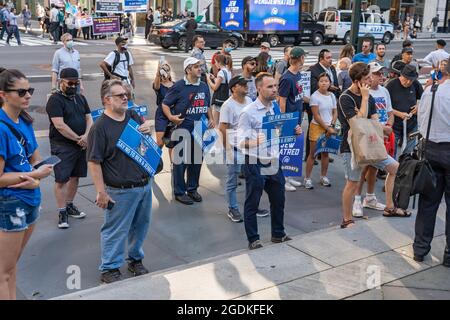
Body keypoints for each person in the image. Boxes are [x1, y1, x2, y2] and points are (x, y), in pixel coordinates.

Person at [87, 80, 153, 284]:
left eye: (126, 94)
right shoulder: (99, 128)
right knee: (115, 229)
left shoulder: (132, 116)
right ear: (107, 100)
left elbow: (145, 144)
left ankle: (135, 260)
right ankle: (110, 267)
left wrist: (148, 130)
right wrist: (101, 191)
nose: (125, 97)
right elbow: (94, 162)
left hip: (143, 184)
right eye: (119, 95)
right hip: (120, 190)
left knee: (140, 226)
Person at [0, 69, 54, 299]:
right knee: (2, 272)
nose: (28, 95)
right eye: (21, 91)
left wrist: (38, 172)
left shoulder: (24, 120)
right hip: (12, 203)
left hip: (31, 199)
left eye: (29, 90)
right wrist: (34, 176)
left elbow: (34, 158)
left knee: (12, 267)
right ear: (3, 94)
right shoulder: (1, 127)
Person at [237, 72, 301, 249]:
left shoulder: (275, 108)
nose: (275, 90)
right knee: (253, 201)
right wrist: (254, 142)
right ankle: (253, 239)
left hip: (273, 161)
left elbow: (278, 132)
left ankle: (278, 234)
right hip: (255, 161)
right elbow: (240, 142)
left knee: (279, 200)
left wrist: (293, 130)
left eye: (275, 86)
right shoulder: (248, 113)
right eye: (270, 87)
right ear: (259, 89)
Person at [337, 62, 403, 229]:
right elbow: (357, 123)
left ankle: (389, 206)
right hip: (352, 147)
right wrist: (365, 98)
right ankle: (347, 219)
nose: (370, 81)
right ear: (357, 80)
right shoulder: (346, 98)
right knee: (352, 182)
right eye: (366, 78)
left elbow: (373, 121)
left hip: (371, 144)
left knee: (394, 167)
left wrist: (383, 128)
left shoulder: (371, 97)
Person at [161, 57, 213, 205]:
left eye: (200, 66)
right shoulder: (178, 86)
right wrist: (171, 117)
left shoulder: (203, 85)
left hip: (199, 130)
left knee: (196, 161)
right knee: (180, 162)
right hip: (182, 129)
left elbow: (207, 104)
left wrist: (211, 118)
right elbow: (165, 104)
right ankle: (179, 191)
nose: (200, 69)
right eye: (196, 67)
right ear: (188, 69)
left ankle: (192, 189)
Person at [413, 62, 450, 267]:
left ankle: (420, 249)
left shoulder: (430, 91)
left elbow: (421, 122)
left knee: (427, 203)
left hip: (430, 149)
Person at [45, 68, 92, 229]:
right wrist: (78, 139)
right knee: (61, 179)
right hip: (63, 145)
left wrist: (86, 135)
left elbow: (89, 118)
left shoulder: (80, 98)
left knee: (76, 176)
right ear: (61, 82)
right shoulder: (55, 100)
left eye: (76, 83)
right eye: (70, 83)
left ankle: (70, 204)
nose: (73, 86)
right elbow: (59, 125)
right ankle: (62, 210)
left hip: (80, 144)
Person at [352, 62, 394, 218]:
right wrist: (381, 128)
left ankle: (370, 197)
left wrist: (389, 125)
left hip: (381, 135)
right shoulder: (365, 94)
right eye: (376, 74)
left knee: (373, 169)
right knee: (362, 168)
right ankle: (357, 199)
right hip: (367, 136)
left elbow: (389, 112)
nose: (380, 77)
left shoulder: (384, 91)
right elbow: (361, 119)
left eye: (381, 74)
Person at [219, 76, 252, 223]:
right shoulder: (228, 105)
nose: (246, 86)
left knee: (252, 178)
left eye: (246, 84)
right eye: (242, 84)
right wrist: (228, 150)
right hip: (235, 147)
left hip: (250, 146)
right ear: (233, 88)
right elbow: (223, 128)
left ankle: (252, 207)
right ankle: (232, 208)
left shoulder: (250, 101)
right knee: (233, 179)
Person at [278, 46, 308, 191]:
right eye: (304, 56)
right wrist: (283, 120)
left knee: (293, 147)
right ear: (300, 58)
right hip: (289, 117)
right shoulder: (287, 78)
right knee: (286, 148)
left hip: (297, 114)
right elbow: (282, 100)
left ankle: (288, 176)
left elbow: (299, 95)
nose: (304, 59)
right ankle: (283, 178)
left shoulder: (298, 75)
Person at [305, 49, 339, 164]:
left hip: (330, 101)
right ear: (321, 59)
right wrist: (329, 87)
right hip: (317, 103)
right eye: (328, 58)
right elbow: (313, 87)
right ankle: (311, 154)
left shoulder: (332, 68)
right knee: (314, 130)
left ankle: (323, 152)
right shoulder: (313, 70)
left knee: (327, 128)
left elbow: (334, 81)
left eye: (331, 57)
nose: (330, 60)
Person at [304, 73, 337, 190]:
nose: (324, 83)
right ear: (318, 83)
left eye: (326, 81)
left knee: (325, 153)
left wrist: (332, 125)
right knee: (313, 153)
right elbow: (316, 115)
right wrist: (328, 128)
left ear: (330, 83)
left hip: (329, 126)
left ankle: (323, 176)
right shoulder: (315, 96)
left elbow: (335, 112)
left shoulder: (332, 96)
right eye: (321, 81)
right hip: (317, 127)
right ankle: (307, 178)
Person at [385, 64, 423, 158]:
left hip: (411, 124)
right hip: (395, 124)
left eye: (411, 80)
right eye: (406, 79)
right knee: (391, 153)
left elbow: (424, 99)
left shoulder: (416, 84)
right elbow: (384, 106)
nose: (408, 82)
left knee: (408, 154)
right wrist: (399, 114)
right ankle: (391, 171)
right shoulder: (391, 85)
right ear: (401, 75)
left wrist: (418, 106)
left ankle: (405, 170)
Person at [153, 61, 174, 148]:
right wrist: (158, 72)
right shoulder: (159, 85)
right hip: (161, 115)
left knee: (171, 144)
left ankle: (173, 162)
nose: (165, 72)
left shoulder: (176, 85)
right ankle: (157, 161)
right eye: (163, 70)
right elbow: (156, 86)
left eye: (167, 70)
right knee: (160, 143)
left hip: (173, 114)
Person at [207, 54, 232, 126]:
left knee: (215, 122)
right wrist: (214, 78)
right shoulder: (228, 71)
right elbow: (223, 82)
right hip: (226, 98)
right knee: (223, 120)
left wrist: (208, 80)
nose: (215, 64)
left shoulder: (221, 72)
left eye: (215, 62)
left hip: (219, 99)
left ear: (219, 62)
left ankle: (216, 136)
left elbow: (215, 87)